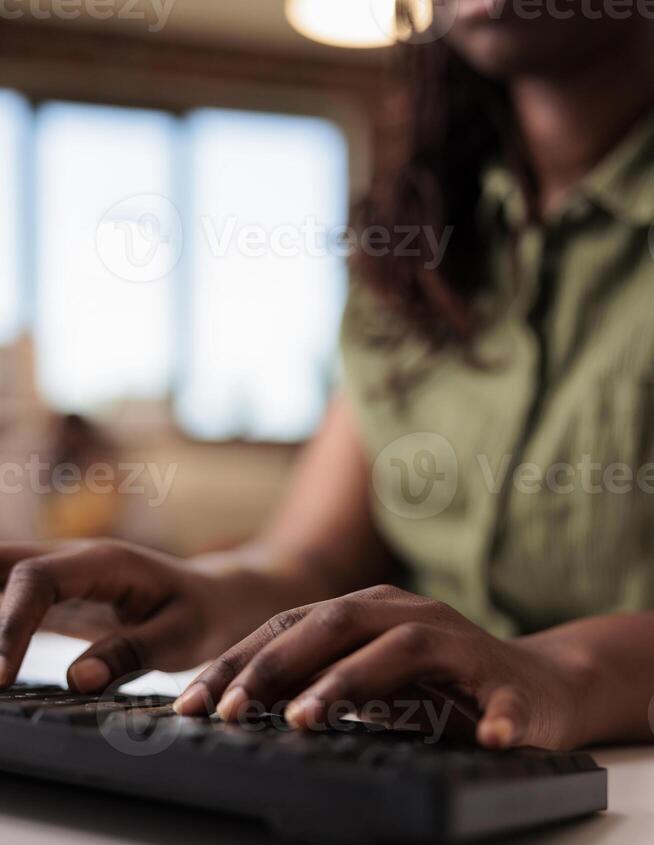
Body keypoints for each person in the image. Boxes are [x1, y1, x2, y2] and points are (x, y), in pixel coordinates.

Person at [0, 9, 653, 751]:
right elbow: (317, 560)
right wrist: (203, 593)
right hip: (433, 780)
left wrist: (559, 671)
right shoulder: (421, 250)